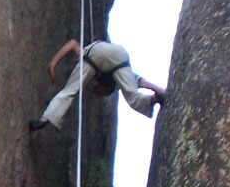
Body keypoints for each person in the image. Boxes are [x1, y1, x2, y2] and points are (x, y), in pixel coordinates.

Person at [29, 38, 166, 131]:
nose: (94, 91)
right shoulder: (118, 77)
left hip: (101, 52)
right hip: (118, 55)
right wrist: (163, 91)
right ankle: (153, 100)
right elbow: (143, 82)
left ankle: (44, 119)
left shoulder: (107, 72)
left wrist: (53, 63)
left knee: (69, 90)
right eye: (98, 92)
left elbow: (72, 44)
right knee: (132, 96)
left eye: (97, 92)